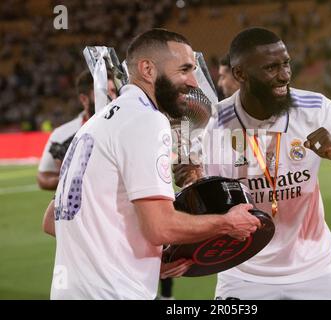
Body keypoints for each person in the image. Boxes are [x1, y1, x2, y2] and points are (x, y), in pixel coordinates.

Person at [43, 28, 261, 300]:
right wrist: (227, 223)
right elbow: (160, 227)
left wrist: (141, 261)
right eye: (184, 70)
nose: (194, 82)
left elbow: (52, 220)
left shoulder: (95, 124)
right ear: (148, 69)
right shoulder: (146, 119)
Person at [198, 27, 331, 300]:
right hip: (242, 273)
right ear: (240, 74)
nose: (284, 75)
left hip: (314, 269)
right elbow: (209, 212)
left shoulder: (317, 110)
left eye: (286, 63)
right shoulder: (213, 126)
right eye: (271, 67)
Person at [37, 70, 117, 190]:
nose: (113, 98)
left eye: (113, 92)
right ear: (84, 99)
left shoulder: (123, 129)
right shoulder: (62, 135)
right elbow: (43, 177)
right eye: (104, 93)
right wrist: (71, 178)